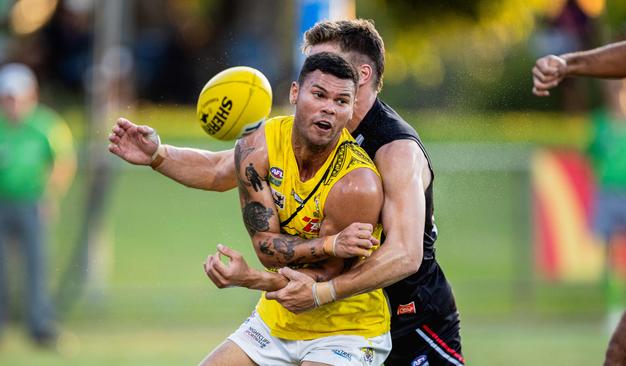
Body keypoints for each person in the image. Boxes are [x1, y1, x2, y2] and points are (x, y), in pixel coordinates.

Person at [109, 19, 464, 366]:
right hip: (311, 303)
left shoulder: (393, 149)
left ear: (362, 76)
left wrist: (311, 289)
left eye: (327, 64)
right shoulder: (305, 132)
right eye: (313, 74)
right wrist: (158, 155)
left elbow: (404, 254)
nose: (315, 71)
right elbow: (222, 169)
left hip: (407, 314)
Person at [203, 52, 391, 365]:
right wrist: (157, 154)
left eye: (341, 101)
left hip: (346, 329)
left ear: (351, 109)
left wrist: (250, 278)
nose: (328, 108)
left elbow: (319, 280)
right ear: (295, 93)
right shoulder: (258, 146)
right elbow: (266, 247)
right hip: (276, 321)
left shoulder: (357, 184)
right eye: (318, 94)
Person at [532, 42, 626, 366]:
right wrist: (566, 63)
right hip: (610, 195)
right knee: (618, 352)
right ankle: (610, 308)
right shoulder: (601, 124)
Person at [0, 63, 76, 347]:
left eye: (18, 98)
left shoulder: (46, 125)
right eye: (8, 98)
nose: (14, 104)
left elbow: (63, 160)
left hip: (31, 202)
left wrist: (50, 194)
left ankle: (39, 326)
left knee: (37, 266)